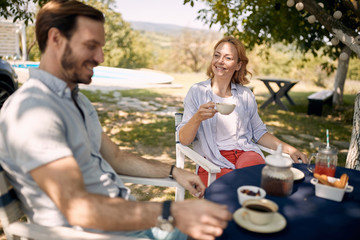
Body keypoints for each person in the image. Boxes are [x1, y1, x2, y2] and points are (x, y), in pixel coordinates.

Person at [0, 1, 232, 240]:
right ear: (56, 38)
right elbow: (77, 208)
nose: (100, 57)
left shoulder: (76, 102)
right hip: (96, 235)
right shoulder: (33, 112)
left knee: (231, 227)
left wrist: (174, 171)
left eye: (101, 47)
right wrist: (171, 211)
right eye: (91, 46)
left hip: (128, 224)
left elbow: (116, 157)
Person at [177, 36, 308, 187]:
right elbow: (184, 140)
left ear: (238, 65)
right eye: (217, 55)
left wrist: (290, 150)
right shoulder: (197, 92)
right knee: (234, 190)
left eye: (228, 58)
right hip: (212, 159)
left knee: (259, 184)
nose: (220, 61)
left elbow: (259, 133)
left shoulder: (245, 95)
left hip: (246, 153)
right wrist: (197, 118)